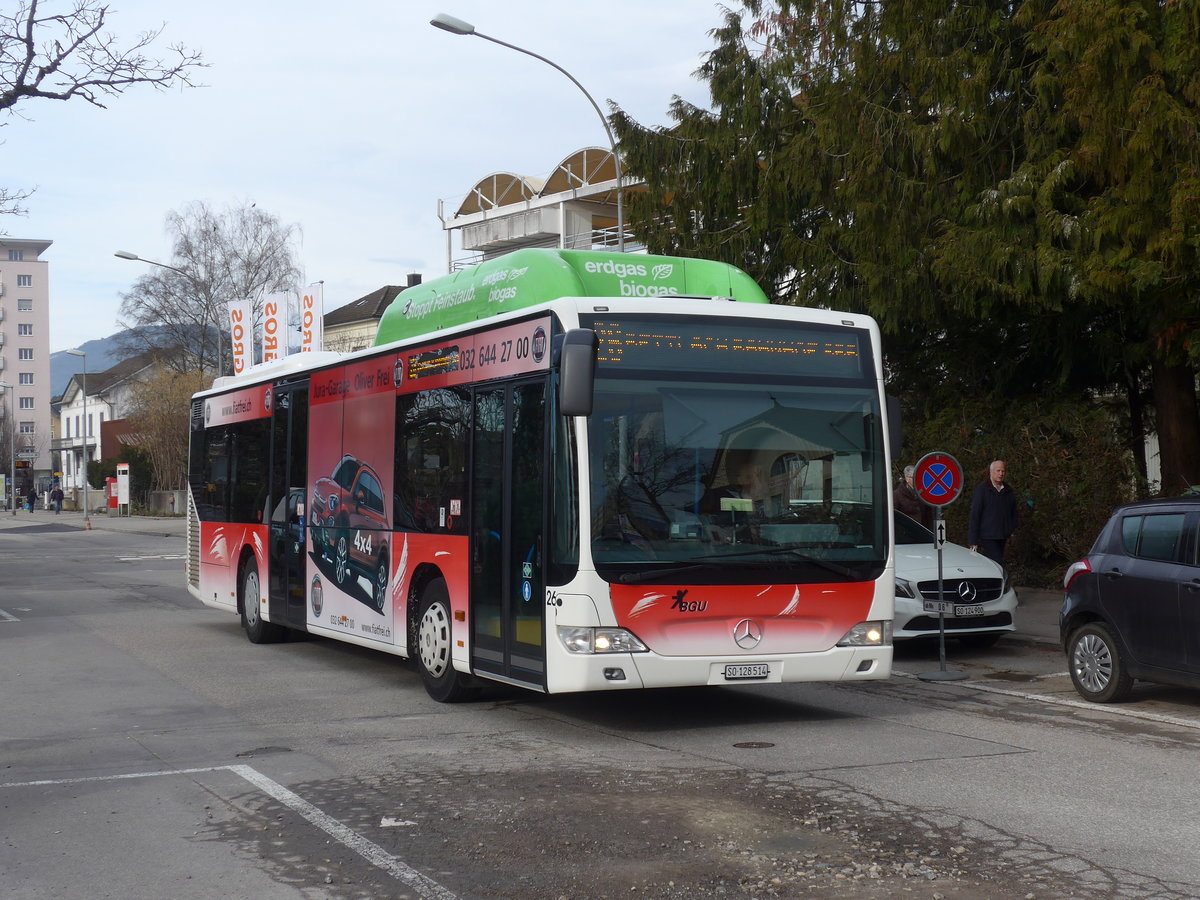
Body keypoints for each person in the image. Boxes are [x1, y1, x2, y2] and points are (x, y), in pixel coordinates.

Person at [968, 460, 1018, 568]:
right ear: (991, 472)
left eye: (1003, 471)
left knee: (993, 564)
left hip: (1002, 535)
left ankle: (991, 583)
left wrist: (1010, 529)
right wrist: (973, 540)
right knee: (997, 562)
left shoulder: (1008, 490)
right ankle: (1001, 583)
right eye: (998, 471)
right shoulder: (982, 490)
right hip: (988, 536)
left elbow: (1013, 512)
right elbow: (975, 514)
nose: (1001, 474)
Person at [894, 464, 934, 529]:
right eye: (914, 477)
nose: (917, 479)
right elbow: (894, 517)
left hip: (922, 532)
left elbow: (929, 514)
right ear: (907, 479)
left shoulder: (923, 493)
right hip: (906, 533)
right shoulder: (897, 495)